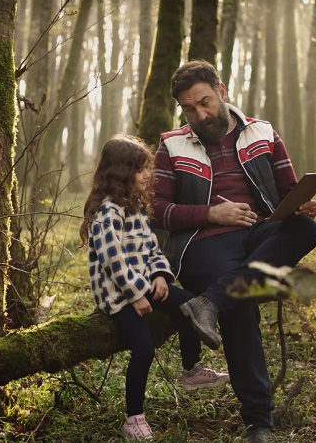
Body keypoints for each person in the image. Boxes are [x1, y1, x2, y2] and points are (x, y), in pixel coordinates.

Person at [151, 60, 316, 442]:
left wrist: (301, 205)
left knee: (305, 229)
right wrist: (212, 212)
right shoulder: (171, 144)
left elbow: (286, 192)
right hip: (202, 244)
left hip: (259, 232)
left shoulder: (263, 132)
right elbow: (157, 211)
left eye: (205, 102)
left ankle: (209, 301)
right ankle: (259, 422)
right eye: (190, 109)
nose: (200, 114)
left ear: (222, 91)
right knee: (240, 304)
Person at [81, 135, 230, 441]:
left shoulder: (135, 208)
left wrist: (161, 275)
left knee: (192, 304)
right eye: (141, 169)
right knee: (143, 348)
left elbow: (152, 249)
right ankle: (133, 418)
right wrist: (136, 295)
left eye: (147, 168)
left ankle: (192, 371)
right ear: (122, 173)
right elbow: (114, 262)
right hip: (117, 294)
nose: (148, 175)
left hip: (144, 283)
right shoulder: (108, 213)